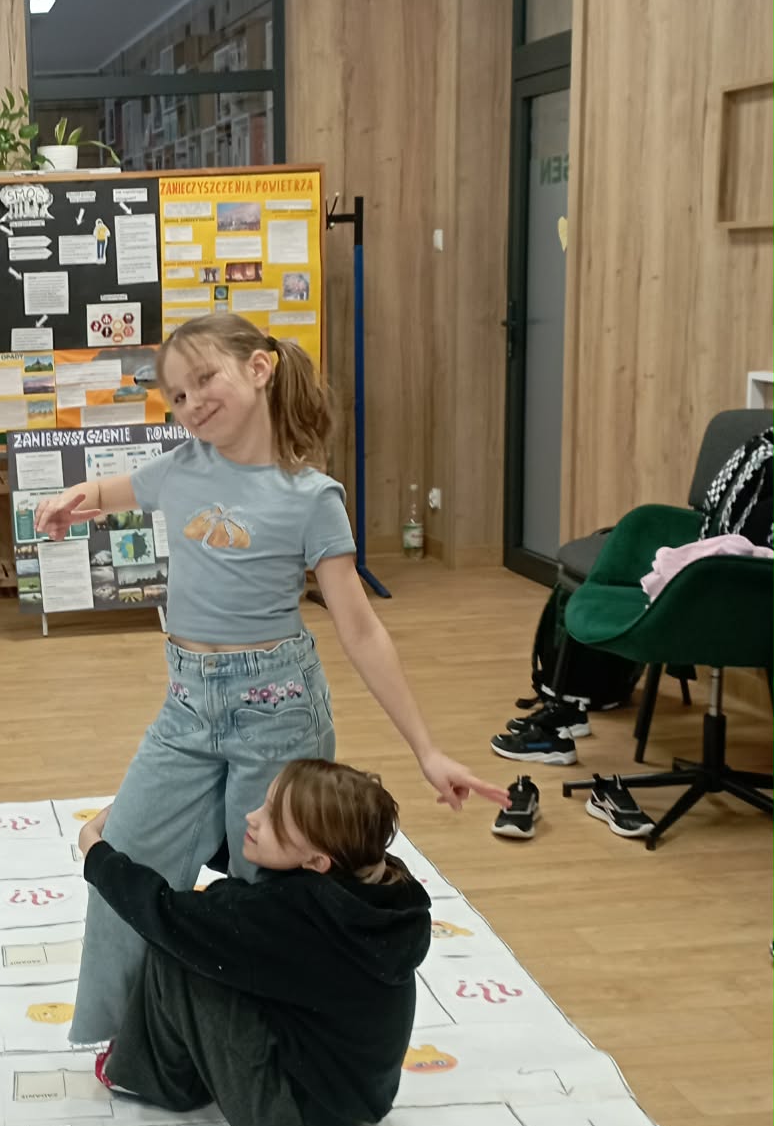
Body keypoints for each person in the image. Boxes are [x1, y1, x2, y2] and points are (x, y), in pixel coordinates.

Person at [34, 312, 504, 1044]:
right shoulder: (180, 467)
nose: (191, 404)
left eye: (204, 380)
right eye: (176, 396)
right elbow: (113, 489)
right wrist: (74, 499)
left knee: (267, 892)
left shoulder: (311, 497)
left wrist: (427, 749)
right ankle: (129, 1039)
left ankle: (256, 1043)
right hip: (188, 704)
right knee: (123, 857)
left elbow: (360, 628)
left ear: (259, 369)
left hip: (277, 710)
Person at [77, 759, 431, 1126]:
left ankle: (152, 1080)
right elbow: (258, 878)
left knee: (181, 950)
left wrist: (96, 855)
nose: (253, 817)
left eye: (274, 818)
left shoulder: (293, 918)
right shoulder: (376, 887)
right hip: (349, 1099)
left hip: (291, 1122)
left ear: (317, 862)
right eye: (266, 802)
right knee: (220, 923)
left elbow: (167, 914)